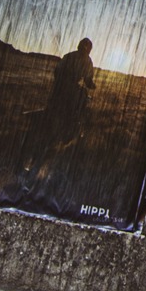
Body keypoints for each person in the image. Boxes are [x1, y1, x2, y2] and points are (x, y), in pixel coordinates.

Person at [23, 37, 97, 197]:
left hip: (59, 92)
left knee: (50, 121)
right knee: (78, 108)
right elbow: (89, 80)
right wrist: (91, 85)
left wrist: (63, 84)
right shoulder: (86, 61)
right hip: (67, 94)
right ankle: (71, 132)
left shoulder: (69, 56)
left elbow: (57, 71)